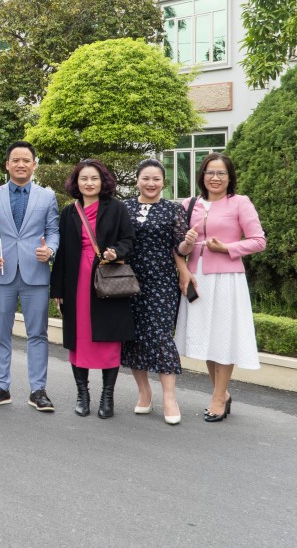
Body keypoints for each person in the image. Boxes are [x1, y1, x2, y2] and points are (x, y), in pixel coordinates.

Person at [175, 153, 266, 423]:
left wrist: (227, 248)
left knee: (224, 336)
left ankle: (218, 397)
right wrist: (187, 246)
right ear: (202, 176)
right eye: (210, 172)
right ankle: (221, 393)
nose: (215, 178)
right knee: (207, 337)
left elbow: (258, 241)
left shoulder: (240, 202)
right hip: (197, 279)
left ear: (230, 177)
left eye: (221, 173)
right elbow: (178, 248)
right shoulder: (189, 204)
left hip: (227, 279)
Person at [0, 141, 60, 411]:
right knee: (0, 333)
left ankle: (38, 390)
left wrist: (51, 250)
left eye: (26, 160)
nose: (21, 165)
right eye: (16, 160)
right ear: (7, 165)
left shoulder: (47, 196)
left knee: (38, 334)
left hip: (36, 272)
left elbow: (53, 231)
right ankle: (1, 387)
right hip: (1, 271)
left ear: (34, 165)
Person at [50, 159, 135, 419]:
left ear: (103, 181)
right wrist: (58, 290)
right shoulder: (69, 212)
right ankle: (82, 395)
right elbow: (62, 253)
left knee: (109, 339)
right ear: (76, 182)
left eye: (94, 178)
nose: (89, 183)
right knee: (79, 339)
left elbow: (128, 239)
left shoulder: (117, 208)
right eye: (84, 178)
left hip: (107, 278)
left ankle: (107, 396)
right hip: (76, 280)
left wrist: (115, 252)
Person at [121, 159, 193, 426]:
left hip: (161, 281)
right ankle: (144, 392)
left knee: (161, 336)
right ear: (137, 180)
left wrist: (188, 243)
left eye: (156, 179)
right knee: (132, 336)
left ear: (164, 182)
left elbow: (180, 248)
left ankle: (170, 398)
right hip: (127, 280)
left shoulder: (173, 209)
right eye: (146, 178)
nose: (151, 183)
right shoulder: (124, 207)